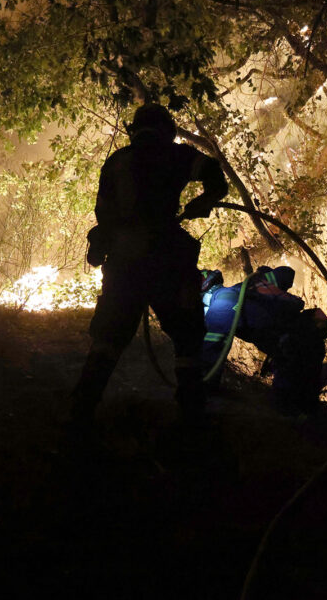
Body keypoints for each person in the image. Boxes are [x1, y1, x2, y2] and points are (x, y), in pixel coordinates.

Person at [67, 103, 228, 426]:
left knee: (109, 337)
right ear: (167, 130)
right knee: (187, 335)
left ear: (134, 131)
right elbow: (215, 175)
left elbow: (104, 215)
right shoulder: (176, 155)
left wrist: (101, 246)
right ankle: (192, 416)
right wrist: (204, 201)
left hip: (124, 264)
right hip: (168, 261)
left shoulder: (117, 162)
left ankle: (81, 411)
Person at [200, 265, 327, 411]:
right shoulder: (244, 286)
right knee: (307, 404)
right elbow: (287, 273)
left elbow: (212, 357)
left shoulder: (218, 309)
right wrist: (265, 273)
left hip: (294, 352)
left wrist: (203, 388)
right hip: (308, 340)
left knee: (287, 410)